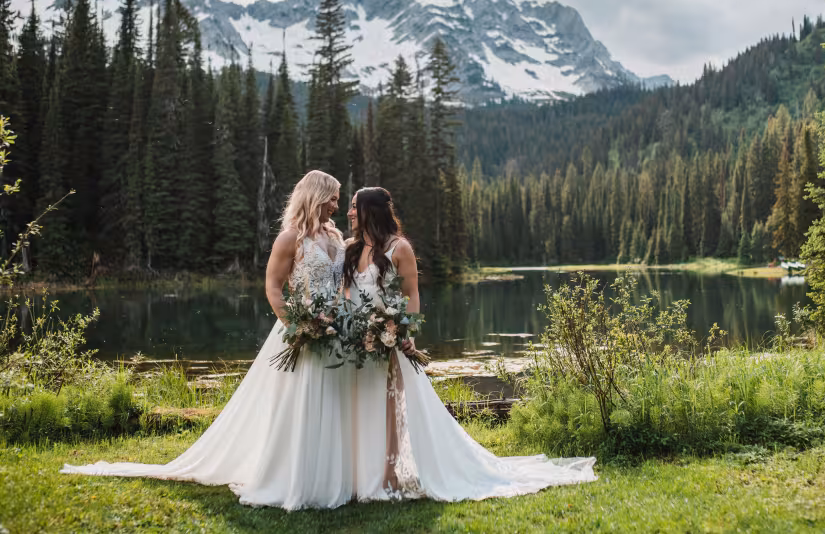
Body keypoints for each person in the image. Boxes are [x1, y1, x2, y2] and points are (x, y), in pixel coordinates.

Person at [62, 171, 354, 511]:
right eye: (332, 197)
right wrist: (297, 326)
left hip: (334, 331)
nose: (336, 204)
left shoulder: (335, 237)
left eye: (338, 198)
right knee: (299, 402)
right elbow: (273, 288)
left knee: (332, 401)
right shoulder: (290, 238)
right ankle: (294, 476)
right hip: (299, 332)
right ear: (315, 196)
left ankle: (332, 476)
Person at [343, 187, 597, 502]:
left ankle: (390, 475)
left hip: (389, 342)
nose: (350, 213)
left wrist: (404, 334)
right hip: (358, 343)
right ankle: (359, 475)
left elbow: (412, 296)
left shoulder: (399, 248)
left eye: (355, 207)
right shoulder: (350, 249)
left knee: (393, 408)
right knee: (362, 406)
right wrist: (350, 327)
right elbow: (347, 295)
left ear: (371, 211)